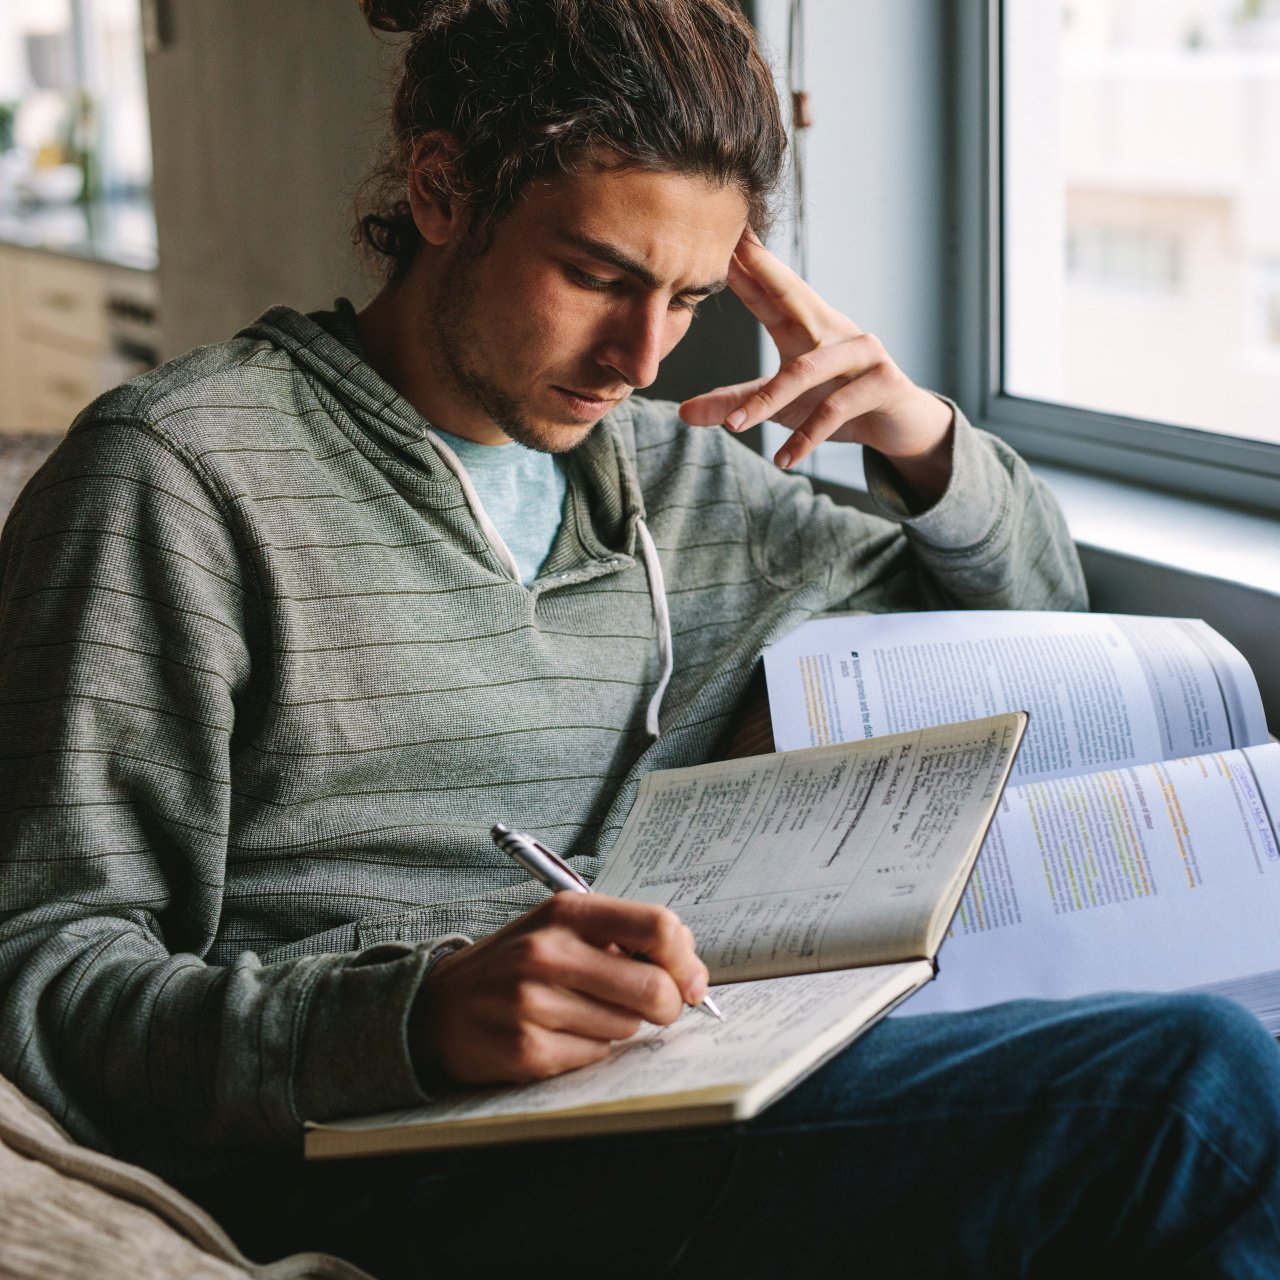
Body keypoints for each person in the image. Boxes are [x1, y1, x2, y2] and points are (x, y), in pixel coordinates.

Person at [1, 1, 1278, 1275]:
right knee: (1189, 1093)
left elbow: (1040, 622)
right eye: (600, 276)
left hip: (673, 1085)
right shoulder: (177, 478)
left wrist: (922, 438)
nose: (639, 351)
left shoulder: (672, 480)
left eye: (690, 295)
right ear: (442, 190)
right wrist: (413, 1018)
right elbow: (42, 973)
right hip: (395, 1154)